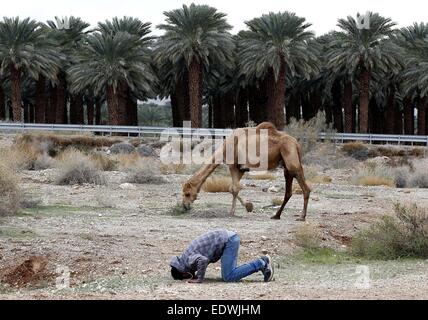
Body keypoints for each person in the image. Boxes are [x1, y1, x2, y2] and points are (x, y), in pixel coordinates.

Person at [170, 229, 274, 283]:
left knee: (228, 276)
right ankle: (262, 264)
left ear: (183, 273)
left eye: (186, 276)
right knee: (229, 273)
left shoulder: (187, 260)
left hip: (228, 241)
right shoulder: (185, 257)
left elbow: (203, 260)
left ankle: (262, 263)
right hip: (228, 238)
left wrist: (199, 279)